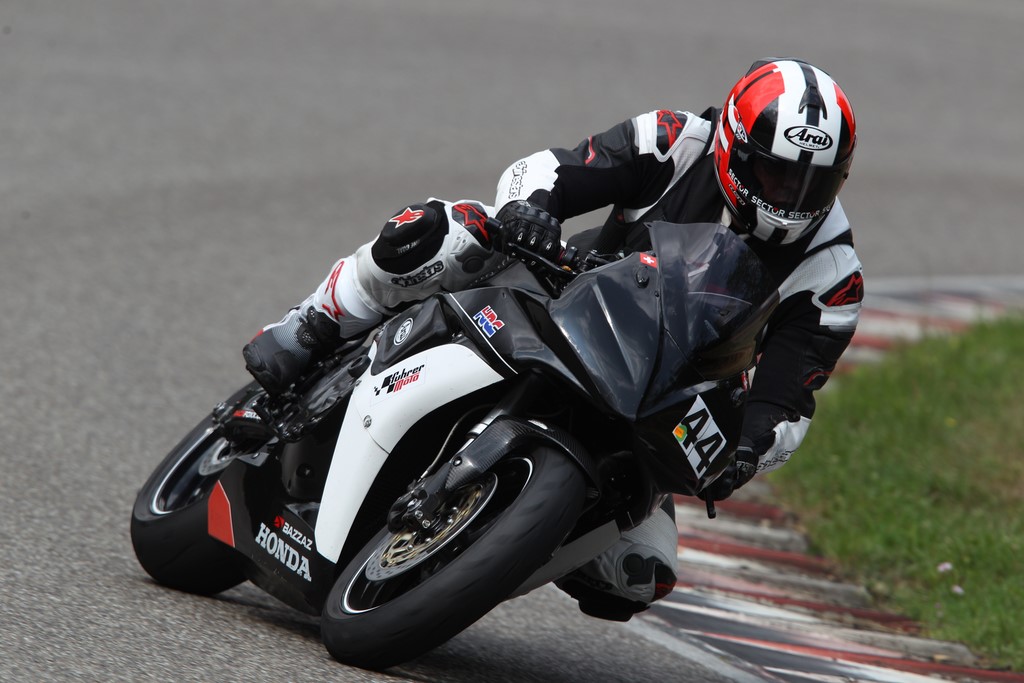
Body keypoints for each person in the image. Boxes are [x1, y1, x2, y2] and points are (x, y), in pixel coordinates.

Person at [242, 57, 862, 622]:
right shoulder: (675, 140)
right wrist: (532, 209)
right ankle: (310, 325)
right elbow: (549, 169)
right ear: (733, 146)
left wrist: (748, 449)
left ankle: (482, 544)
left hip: (651, 397)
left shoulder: (833, 273)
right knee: (447, 233)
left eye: (813, 185)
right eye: (776, 175)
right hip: (562, 295)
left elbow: (786, 403)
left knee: (638, 574)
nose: (791, 199)